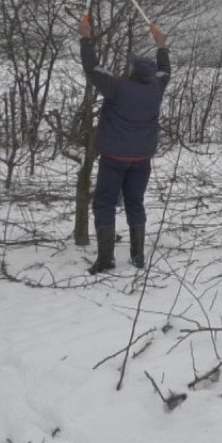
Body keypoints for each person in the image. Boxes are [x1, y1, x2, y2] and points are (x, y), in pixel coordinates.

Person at [79, 17, 170, 274]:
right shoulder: (156, 87)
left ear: (131, 72)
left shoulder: (117, 87)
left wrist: (86, 38)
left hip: (113, 159)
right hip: (141, 160)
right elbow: (166, 71)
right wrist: (161, 46)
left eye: (129, 66)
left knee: (104, 203)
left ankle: (106, 258)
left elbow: (92, 67)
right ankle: (138, 256)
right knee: (135, 202)